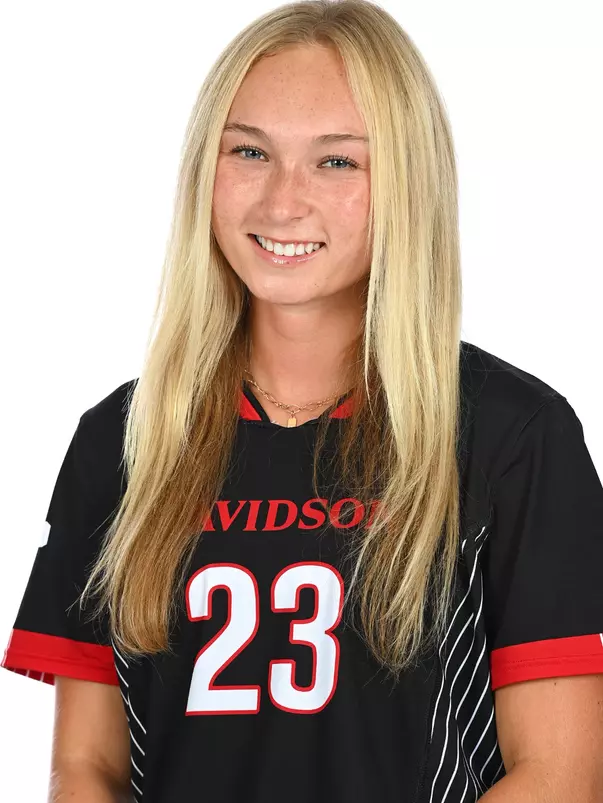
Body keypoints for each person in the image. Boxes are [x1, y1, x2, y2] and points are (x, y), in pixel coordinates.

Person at [2, 1, 603, 801]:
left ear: (406, 180)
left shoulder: (511, 434)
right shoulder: (122, 440)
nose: (281, 202)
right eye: (248, 150)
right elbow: (86, 767)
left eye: (336, 162)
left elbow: (562, 774)